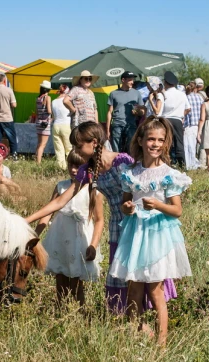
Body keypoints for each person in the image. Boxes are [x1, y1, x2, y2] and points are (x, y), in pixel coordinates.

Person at [26, 122, 177, 313]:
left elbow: (146, 180)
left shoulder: (122, 161)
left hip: (138, 223)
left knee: (141, 274)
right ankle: (131, 322)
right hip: (117, 225)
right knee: (122, 276)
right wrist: (27, 220)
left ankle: (147, 322)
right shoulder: (89, 169)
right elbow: (60, 201)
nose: (75, 150)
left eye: (78, 146)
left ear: (94, 143)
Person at [109, 116, 192, 345]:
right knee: (134, 286)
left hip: (157, 235)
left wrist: (157, 205)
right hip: (135, 234)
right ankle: (135, 335)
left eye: (160, 140)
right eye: (151, 139)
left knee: (155, 289)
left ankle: (162, 343)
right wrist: (127, 208)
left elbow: (177, 210)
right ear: (141, 140)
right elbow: (126, 204)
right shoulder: (131, 172)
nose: (155, 144)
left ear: (165, 143)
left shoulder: (168, 174)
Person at [35, 150, 104, 307]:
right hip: (60, 237)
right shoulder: (61, 186)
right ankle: (61, 310)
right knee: (60, 279)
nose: (73, 170)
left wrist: (93, 245)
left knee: (77, 282)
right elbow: (49, 212)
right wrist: (35, 235)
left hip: (79, 241)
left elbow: (99, 220)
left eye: (78, 166)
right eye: (71, 165)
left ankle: (79, 313)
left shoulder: (94, 190)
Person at [106, 71, 142, 152]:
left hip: (131, 125)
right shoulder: (113, 93)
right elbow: (109, 112)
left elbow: (142, 111)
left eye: (133, 80)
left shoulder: (137, 93)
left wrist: (138, 112)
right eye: (130, 80)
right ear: (123, 80)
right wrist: (107, 130)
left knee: (131, 148)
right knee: (116, 150)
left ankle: (130, 163)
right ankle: (117, 164)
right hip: (117, 125)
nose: (132, 82)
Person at [160, 71, 190, 167]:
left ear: (165, 82)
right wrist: (182, 114)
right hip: (177, 120)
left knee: (166, 143)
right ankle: (182, 165)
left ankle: (166, 164)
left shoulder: (164, 94)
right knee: (179, 144)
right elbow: (188, 108)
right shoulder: (182, 94)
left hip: (166, 120)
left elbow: (160, 109)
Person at [51, 84, 73, 169]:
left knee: (59, 150)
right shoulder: (67, 100)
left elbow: (53, 116)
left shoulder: (53, 101)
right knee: (69, 148)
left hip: (56, 126)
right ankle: (70, 167)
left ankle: (61, 168)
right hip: (66, 125)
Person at [184, 82, 204, 170]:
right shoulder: (199, 97)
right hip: (198, 124)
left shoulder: (186, 97)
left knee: (188, 146)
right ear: (195, 88)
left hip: (189, 124)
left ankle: (190, 165)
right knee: (195, 146)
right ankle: (194, 163)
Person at [35, 81, 53, 164]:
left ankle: (36, 159)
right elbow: (49, 111)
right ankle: (39, 162)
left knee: (39, 143)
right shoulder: (47, 98)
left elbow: (37, 112)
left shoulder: (38, 98)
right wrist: (52, 114)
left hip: (39, 122)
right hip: (46, 123)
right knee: (43, 144)